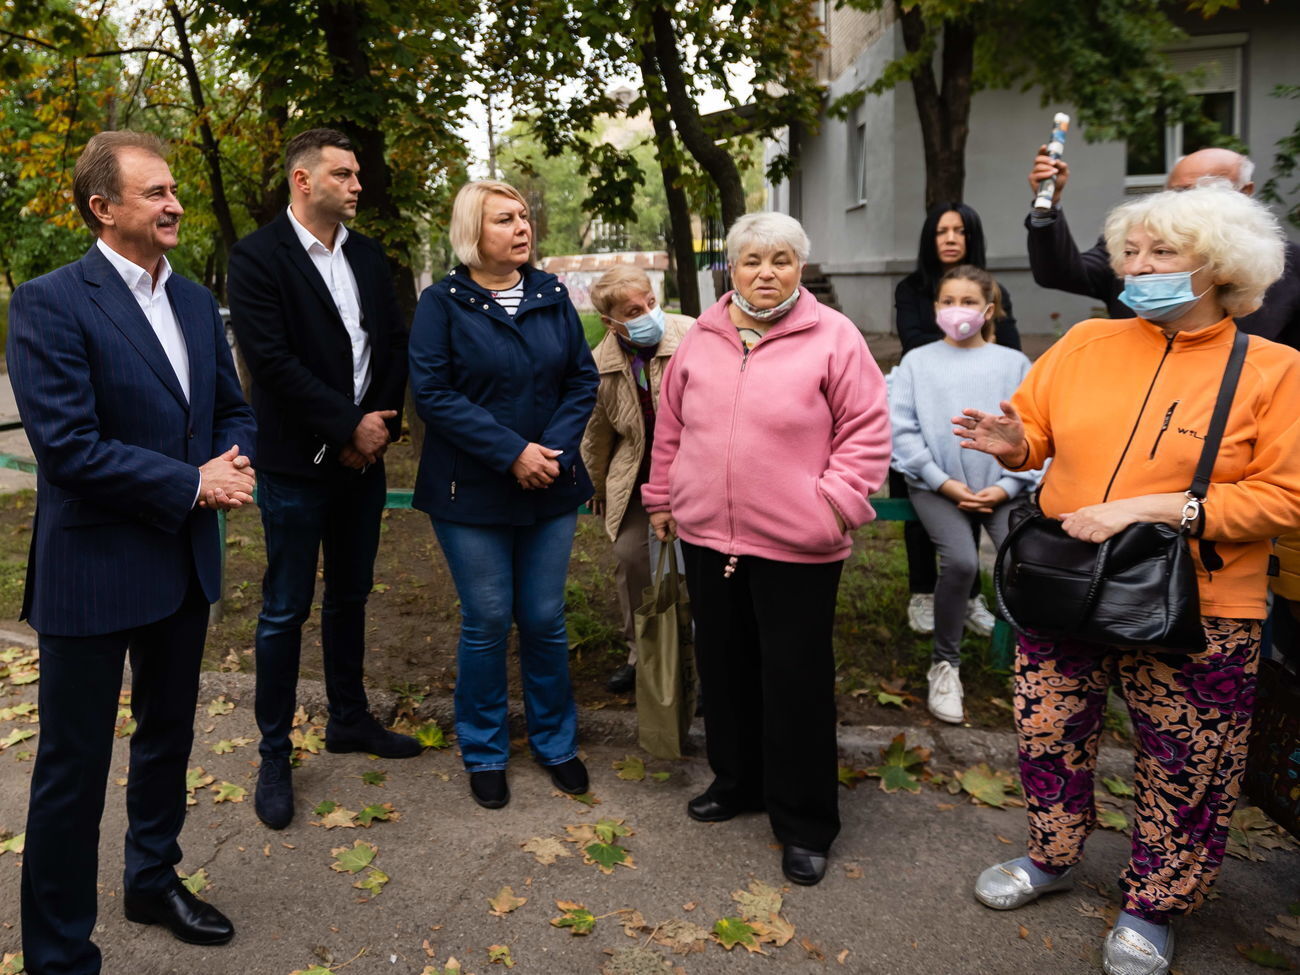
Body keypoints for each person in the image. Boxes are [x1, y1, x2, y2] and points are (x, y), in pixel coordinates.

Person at [958, 184, 1300, 975]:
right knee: (1049, 734)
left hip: (1202, 603)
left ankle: (1154, 905)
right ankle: (1051, 854)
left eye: (1163, 252)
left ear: (1217, 266)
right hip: (1064, 583)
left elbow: (1283, 496)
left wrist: (1149, 508)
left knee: (1186, 763)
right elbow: (1032, 431)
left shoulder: (1274, 369)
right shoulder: (1085, 343)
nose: (1138, 268)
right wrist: (1013, 441)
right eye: (1131, 253)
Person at [7, 131, 257, 972]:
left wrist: (232, 458)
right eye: (155, 192)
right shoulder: (49, 301)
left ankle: (152, 879)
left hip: (181, 562)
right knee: (72, 771)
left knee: (168, 738)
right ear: (103, 208)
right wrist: (194, 482)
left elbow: (232, 406)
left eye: (175, 189)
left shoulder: (191, 301)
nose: (175, 203)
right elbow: (69, 449)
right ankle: (59, 951)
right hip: (92, 568)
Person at [643, 211, 891, 886]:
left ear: (799, 267)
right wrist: (662, 497)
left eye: (780, 259)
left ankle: (805, 819)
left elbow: (867, 432)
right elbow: (672, 423)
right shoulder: (703, 337)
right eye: (752, 259)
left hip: (797, 544)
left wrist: (832, 507)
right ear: (732, 268)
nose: (765, 272)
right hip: (706, 534)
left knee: (796, 681)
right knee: (724, 668)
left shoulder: (833, 336)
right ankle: (738, 781)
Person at [227, 128, 419, 833]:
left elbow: (395, 341)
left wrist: (380, 429)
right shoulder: (256, 258)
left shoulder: (367, 254)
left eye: (359, 174)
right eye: (344, 174)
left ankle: (348, 718)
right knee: (285, 608)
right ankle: (274, 752)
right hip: (294, 466)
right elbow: (271, 363)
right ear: (304, 181)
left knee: (351, 595)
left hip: (363, 463)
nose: (359, 184)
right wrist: (346, 427)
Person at [409, 180, 598, 810]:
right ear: (472, 232)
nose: (522, 228)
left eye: (524, 217)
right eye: (504, 220)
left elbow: (581, 379)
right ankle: (485, 750)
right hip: (473, 492)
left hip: (550, 482)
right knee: (488, 620)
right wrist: (510, 452)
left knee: (544, 619)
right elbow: (433, 395)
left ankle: (555, 743)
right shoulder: (442, 303)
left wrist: (550, 452)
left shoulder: (551, 294)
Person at [890, 265, 1037, 724]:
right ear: (935, 310)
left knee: (1024, 560)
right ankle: (945, 664)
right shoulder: (918, 361)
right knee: (962, 562)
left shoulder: (1013, 363)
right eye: (948, 301)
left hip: (1003, 485)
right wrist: (943, 482)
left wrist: (1005, 486)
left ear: (988, 310)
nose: (958, 310)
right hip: (937, 485)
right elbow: (903, 431)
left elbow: (1032, 431)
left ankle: (1033, 666)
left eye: (969, 302)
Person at [894, 202, 1021, 639]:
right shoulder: (911, 289)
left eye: (959, 231)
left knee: (1002, 539)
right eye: (941, 231)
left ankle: (972, 601)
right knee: (925, 509)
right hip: (933, 428)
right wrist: (961, 341)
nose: (950, 238)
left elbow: (1012, 350)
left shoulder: (1006, 342)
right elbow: (914, 343)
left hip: (987, 446)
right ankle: (923, 592)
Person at [1025, 146, 1300, 346]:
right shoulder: (1134, 248)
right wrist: (1046, 204)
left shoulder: (1288, 264)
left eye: (1203, 192)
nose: (1140, 267)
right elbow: (1061, 272)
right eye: (1177, 193)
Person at [580, 266, 693, 694]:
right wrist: (595, 485)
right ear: (611, 323)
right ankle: (640, 654)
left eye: (649, 302)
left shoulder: (692, 335)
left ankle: (694, 658)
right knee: (631, 561)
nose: (648, 314)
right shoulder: (600, 362)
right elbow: (597, 431)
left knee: (692, 567)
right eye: (633, 310)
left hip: (692, 473)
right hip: (636, 476)